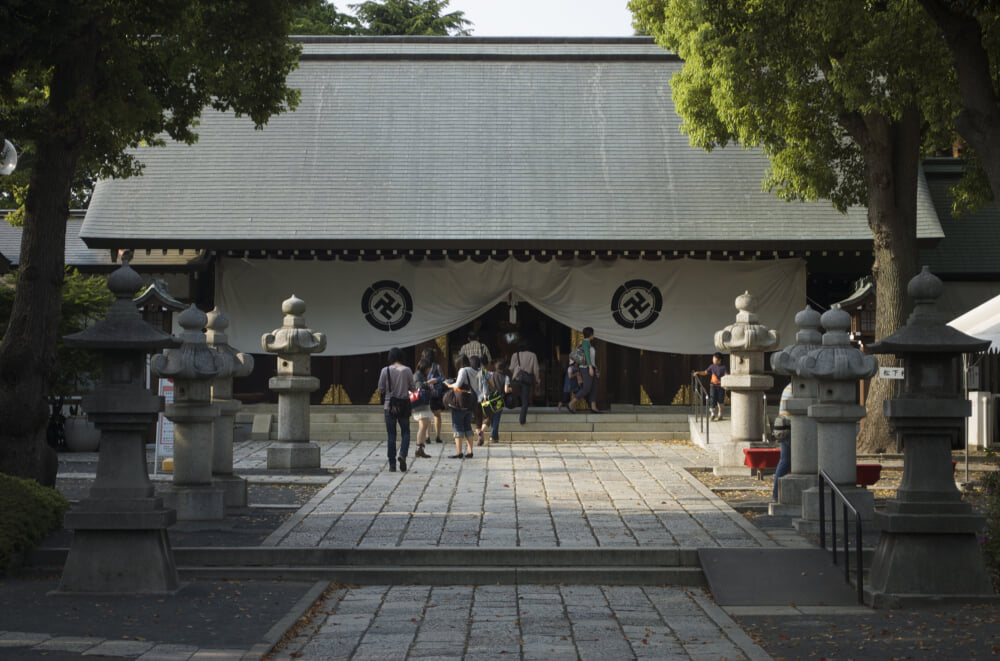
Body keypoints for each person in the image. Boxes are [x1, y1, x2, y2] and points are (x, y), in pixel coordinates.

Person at [377, 347, 415, 472]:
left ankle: (392, 464)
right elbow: (413, 388)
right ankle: (403, 454)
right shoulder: (407, 370)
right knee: (405, 432)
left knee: (391, 435)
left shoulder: (385, 370)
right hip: (404, 405)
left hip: (389, 406)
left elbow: (381, 389)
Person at [446, 354, 478, 459]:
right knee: (467, 426)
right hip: (470, 402)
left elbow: (457, 385)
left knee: (457, 426)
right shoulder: (475, 370)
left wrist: (448, 385)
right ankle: (470, 451)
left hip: (460, 403)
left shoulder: (463, 370)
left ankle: (459, 452)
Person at [567, 327, 600, 414]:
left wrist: (592, 367)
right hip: (586, 368)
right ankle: (571, 403)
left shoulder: (588, 343)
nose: (594, 335)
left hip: (591, 367)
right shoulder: (586, 343)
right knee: (587, 388)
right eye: (593, 333)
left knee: (594, 387)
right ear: (591, 334)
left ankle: (593, 407)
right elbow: (587, 356)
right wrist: (590, 368)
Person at [508, 340, 540, 425]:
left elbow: (511, 368)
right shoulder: (532, 355)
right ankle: (522, 419)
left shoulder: (515, 355)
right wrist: (537, 380)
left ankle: (509, 410)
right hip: (526, 380)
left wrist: (515, 372)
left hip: (516, 379)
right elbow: (536, 369)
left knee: (513, 395)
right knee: (525, 400)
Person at [693, 352, 729, 420]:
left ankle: (720, 414)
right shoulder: (712, 366)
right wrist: (698, 372)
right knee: (712, 398)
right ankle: (712, 414)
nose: (713, 359)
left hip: (721, 386)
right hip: (713, 385)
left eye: (714, 358)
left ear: (719, 360)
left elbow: (726, 376)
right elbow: (705, 372)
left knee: (720, 400)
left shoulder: (724, 367)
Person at [772, 383, 793, 501]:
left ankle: (777, 493)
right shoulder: (796, 387)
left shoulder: (788, 387)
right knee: (785, 462)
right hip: (790, 427)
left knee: (785, 461)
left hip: (783, 427)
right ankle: (776, 493)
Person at [422, 346, 446, 444]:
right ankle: (437, 436)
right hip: (436, 393)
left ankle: (427, 436)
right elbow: (443, 378)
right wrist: (436, 380)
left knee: (427, 415)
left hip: (426, 393)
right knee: (437, 415)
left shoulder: (422, 365)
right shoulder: (437, 366)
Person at [411, 358, 434, 458]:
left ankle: (421, 448)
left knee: (424, 426)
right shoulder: (417, 375)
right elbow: (419, 386)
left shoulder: (422, 375)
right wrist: (429, 382)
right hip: (420, 404)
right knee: (423, 426)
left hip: (424, 403)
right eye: (429, 368)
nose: (429, 370)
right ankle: (419, 448)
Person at [484, 359, 510, 442]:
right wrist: (510, 389)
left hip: (490, 399)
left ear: (495, 367)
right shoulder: (506, 377)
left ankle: (496, 437)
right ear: (504, 368)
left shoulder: (491, 374)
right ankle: (492, 436)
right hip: (499, 400)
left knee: (492, 418)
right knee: (496, 418)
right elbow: (506, 390)